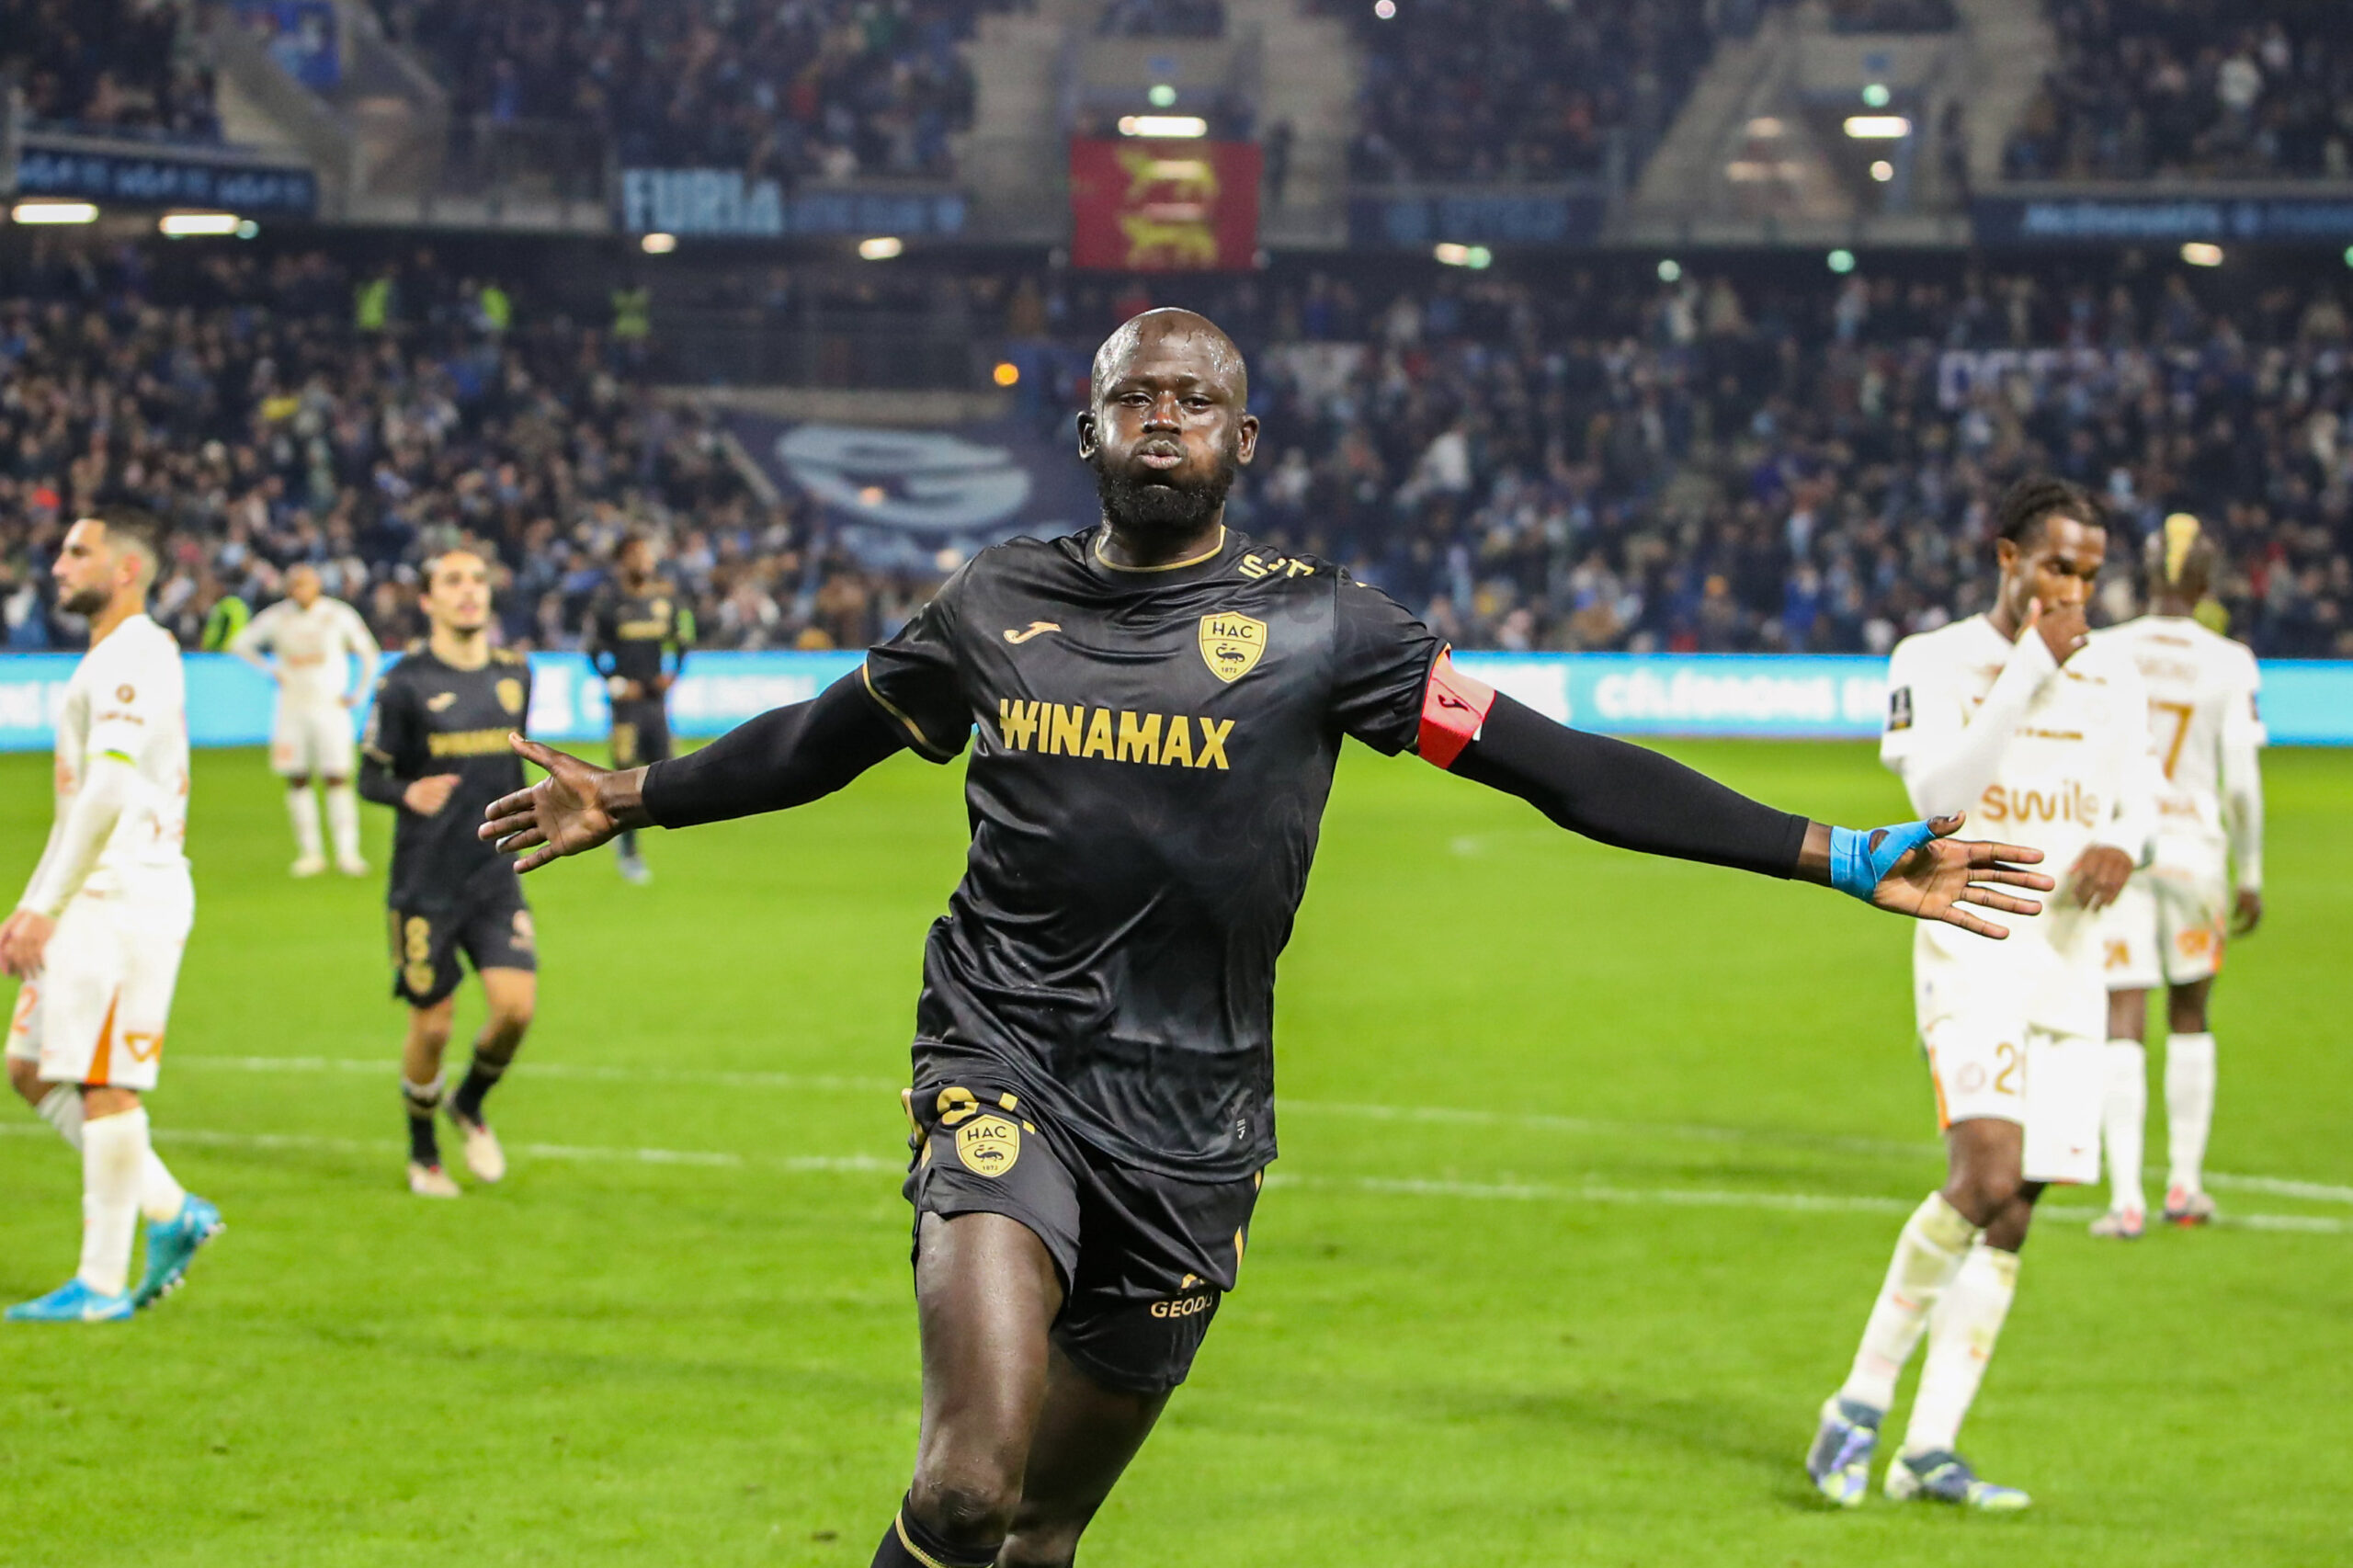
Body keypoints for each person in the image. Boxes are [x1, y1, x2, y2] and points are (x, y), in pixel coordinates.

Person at [482, 311, 2051, 1568]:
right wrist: (638, 795)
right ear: (1087, 429)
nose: (1160, 418)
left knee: (1040, 1530)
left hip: (1197, 1128)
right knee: (964, 1490)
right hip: (1002, 1062)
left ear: (1245, 441)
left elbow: (1560, 769)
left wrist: (1838, 853)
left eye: (1193, 400)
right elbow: (827, 737)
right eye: (1131, 397)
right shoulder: (991, 603)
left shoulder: (1331, 634)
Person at [1806, 476, 2156, 1512]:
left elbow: (2138, 785)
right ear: (2007, 557)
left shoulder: (2115, 672)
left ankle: (1930, 1446)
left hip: (2071, 956)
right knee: (1983, 1171)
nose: (2074, 592)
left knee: (2019, 1207)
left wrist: (2123, 842)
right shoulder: (1932, 661)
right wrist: (2027, 671)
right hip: (1972, 944)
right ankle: (1859, 1402)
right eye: (2057, 567)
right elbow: (1939, 799)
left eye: (2090, 575)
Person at [3, 506, 223, 1322]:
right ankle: (173, 1211)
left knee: (104, 1084)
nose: (58, 565)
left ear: (125, 568)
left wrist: (39, 904)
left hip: (125, 895)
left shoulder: (134, 656)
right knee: (29, 1067)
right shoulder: (109, 656)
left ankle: (98, 1288)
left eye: (76, 552)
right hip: (91, 895)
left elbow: (108, 789)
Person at [2088, 515, 2264, 1236]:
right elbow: (2244, 784)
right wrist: (2249, 869)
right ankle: (2184, 1187)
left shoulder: (2103, 651)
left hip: (2119, 847)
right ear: (2205, 583)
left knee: (2121, 1014)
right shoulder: (2229, 661)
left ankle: (2125, 1198)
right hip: (2194, 851)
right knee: (2190, 1012)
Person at [358, 551, 538, 1199]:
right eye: (453, 582)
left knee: (516, 1011)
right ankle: (424, 1154)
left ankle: (469, 1104)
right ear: (427, 600)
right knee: (432, 1026)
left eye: (478, 580)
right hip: (425, 883)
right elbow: (370, 775)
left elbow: (515, 771)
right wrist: (408, 793)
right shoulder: (403, 683)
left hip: (494, 875)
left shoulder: (517, 674)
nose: (469, 592)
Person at [232, 563, 382, 878]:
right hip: (292, 709)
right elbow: (239, 644)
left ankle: (347, 853)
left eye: (306, 583)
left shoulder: (338, 615)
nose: (301, 589)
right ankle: (310, 853)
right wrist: (269, 670)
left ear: (318, 585)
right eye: (295, 584)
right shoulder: (277, 617)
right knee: (297, 776)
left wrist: (359, 692)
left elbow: (369, 651)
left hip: (330, 708)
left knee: (337, 776)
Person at [583, 534, 693, 883]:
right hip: (626, 705)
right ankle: (628, 849)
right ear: (623, 561)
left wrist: (673, 675)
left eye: (647, 554)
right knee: (624, 773)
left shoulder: (666, 599)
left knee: (665, 767)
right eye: (636, 555)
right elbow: (592, 651)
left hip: (655, 701)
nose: (645, 561)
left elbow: (684, 639)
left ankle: (647, 833)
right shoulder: (609, 602)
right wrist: (615, 681)